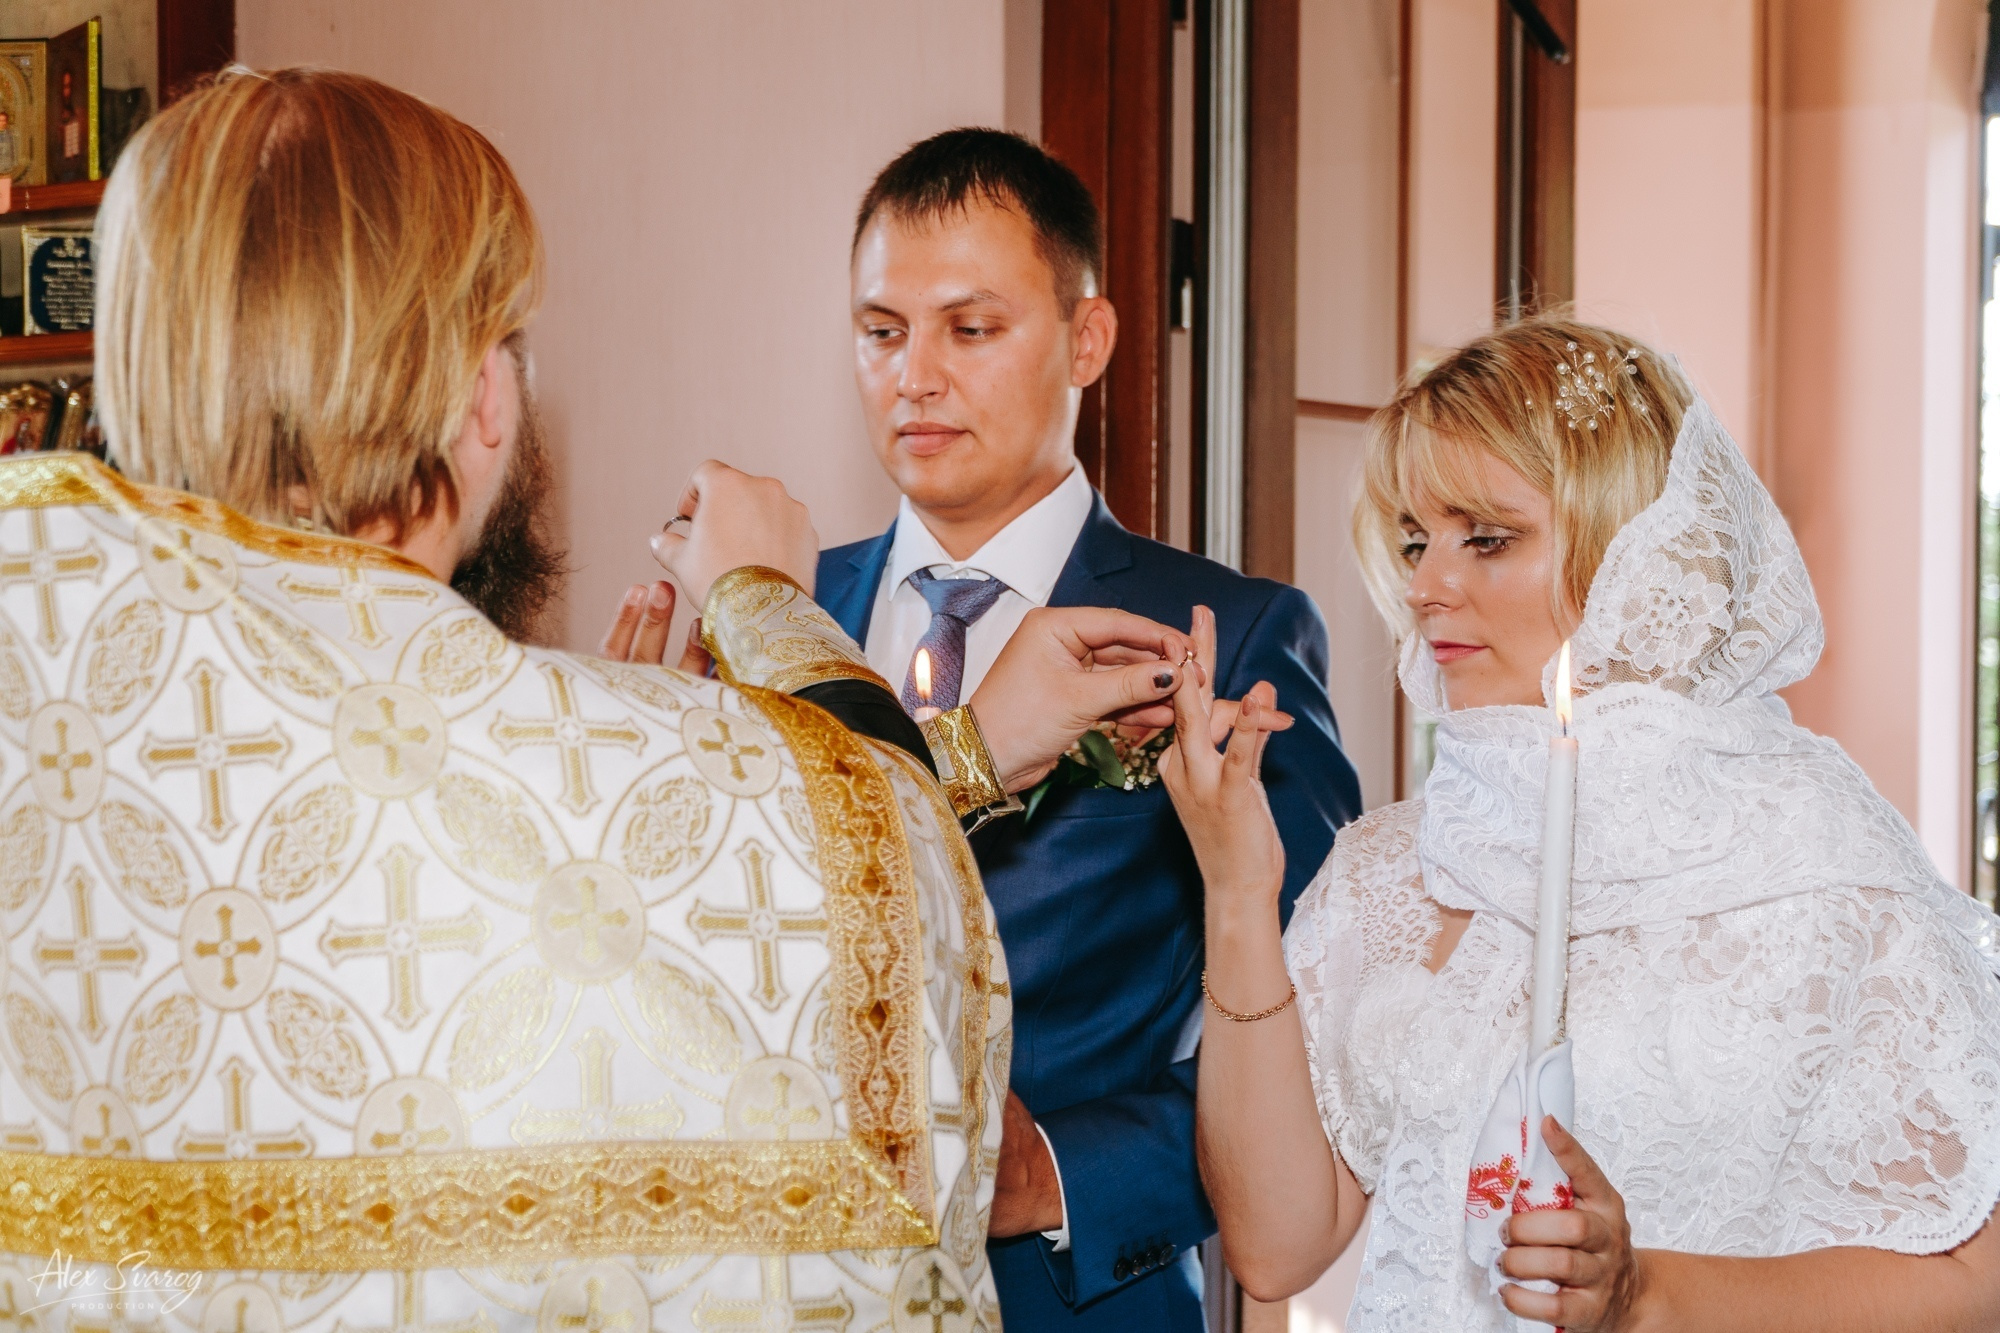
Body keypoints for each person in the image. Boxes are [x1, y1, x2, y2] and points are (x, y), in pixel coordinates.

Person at [0, 66, 1206, 1332]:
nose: (915, 375)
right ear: (481, 398)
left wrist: (600, 771)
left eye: (969, 327)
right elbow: (870, 910)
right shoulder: (700, 745)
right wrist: (751, 618)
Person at [1170, 316, 2000, 1330]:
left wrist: (1645, 1293)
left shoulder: (1820, 866)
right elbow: (1274, 1244)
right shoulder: (1384, 868)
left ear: (1636, 553)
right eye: (1412, 540)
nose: (1426, 587)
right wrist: (1236, 895)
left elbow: (1967, 1281)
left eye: (1486, 536)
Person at [811, 128, 1361, 1330]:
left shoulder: (1232, 632)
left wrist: (1057, 1169)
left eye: (970, 328)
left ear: (1087, 339)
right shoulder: (778, 620)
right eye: (880, 331)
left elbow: (1320, 1032)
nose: (915, 376)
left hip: (1068, 1297)